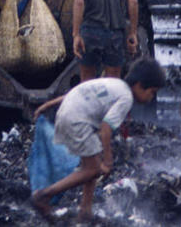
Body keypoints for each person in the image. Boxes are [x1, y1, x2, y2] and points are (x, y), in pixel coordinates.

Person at [30, 58, 166, 222]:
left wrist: (49, 104)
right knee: (93, 169)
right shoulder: (126, 98)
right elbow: (106, 129)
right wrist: (108, 160)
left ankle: (85, 210)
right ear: (139, 84)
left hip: (68, 113)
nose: (151, 98)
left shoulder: (114, 84)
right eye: (152, 92)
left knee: (92, 162)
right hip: (78, 121)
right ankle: (44, 195)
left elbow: (80, 91)